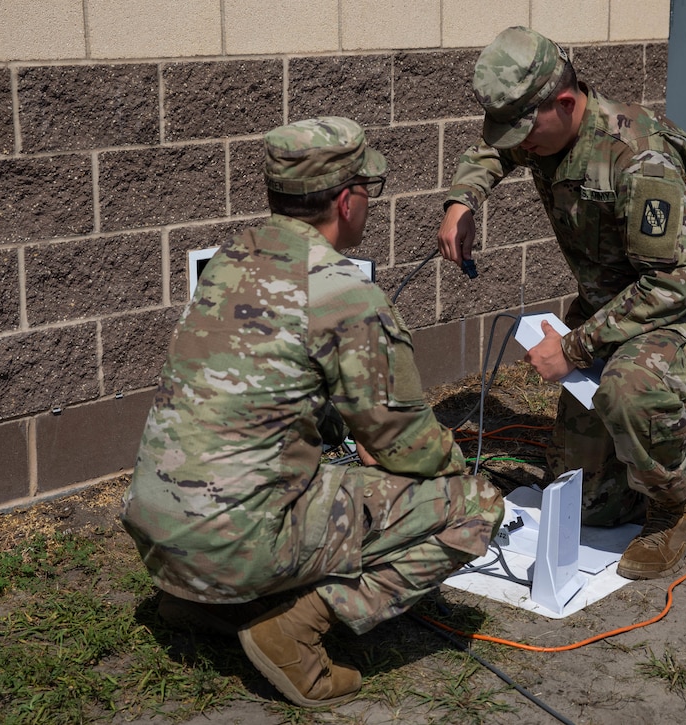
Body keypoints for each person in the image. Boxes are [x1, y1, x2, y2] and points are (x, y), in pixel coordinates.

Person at [122, 116, 504, 708]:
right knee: (474, 506)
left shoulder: (229, 260)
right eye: (367, 194)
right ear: (348, 200)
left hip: (158, 530)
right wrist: (451, 465)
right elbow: (409, 444)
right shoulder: (341, 293)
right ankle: (295, 627)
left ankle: (201, 603)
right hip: (234, 544)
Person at [438, 27, 686, 580]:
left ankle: (672, 511)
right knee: (590, 507)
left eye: (525, 131)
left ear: (565, 103)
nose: (519, 145)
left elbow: (672, 284)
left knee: (628, 391)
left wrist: (574, 346)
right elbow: (491, 149)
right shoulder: (541, 127)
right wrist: (462, 202)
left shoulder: (640, 158)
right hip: (616, 305)